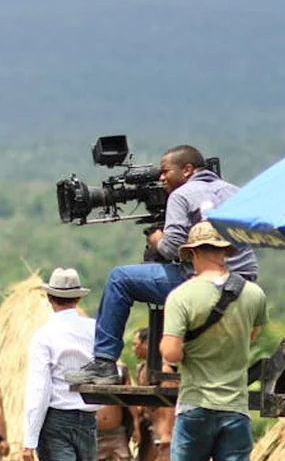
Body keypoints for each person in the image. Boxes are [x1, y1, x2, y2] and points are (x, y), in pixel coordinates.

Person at [67, 145, 259, 385]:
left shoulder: (182, 195)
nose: (161, 178)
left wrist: (156, 238)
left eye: (165, 171)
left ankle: (104, 362)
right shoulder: (235, 191)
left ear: (187, 169)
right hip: (243, 282)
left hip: (203, 283)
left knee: (120, 279)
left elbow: (171, 248)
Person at [154, 222, 267, 461]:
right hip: (235, 409)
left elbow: (170, 353)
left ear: (192, 253)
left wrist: (174, 347)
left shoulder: (182, 297)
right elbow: (251, 336)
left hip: (196, 407)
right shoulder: (252, 295)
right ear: (224, 251)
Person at [22, 268, 111, 461]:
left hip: (55, 421)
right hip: (87, 418)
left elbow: (39, 389)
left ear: (50, 298)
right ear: (77, 297)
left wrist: (29, 440)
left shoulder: (44, 336)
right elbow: (106, 369)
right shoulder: (95, 328)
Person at [132, 327, 170, 461]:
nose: (134, 349)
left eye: (136, 345)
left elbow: (169, 402)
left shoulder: (165, 369)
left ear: (147, 344)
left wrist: (166, 429)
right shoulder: (141, 368)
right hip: (148, 425)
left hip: (162, 426)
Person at [94, 361, 135, 461]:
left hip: (117, 432)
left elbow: (130, 397)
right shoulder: (86, 364)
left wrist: (136, 424)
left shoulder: (121, 368)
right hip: (94, 432)